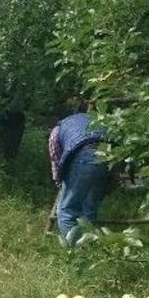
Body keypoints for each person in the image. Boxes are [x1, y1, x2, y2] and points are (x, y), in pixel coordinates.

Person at [48, 105, 111, 244]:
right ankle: (89, 246)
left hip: (84, 156)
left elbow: (56, 160)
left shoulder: (57, 130)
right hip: (110, 157)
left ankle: (75, 252)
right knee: (89, 207)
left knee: (66, 210)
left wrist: (60, 182)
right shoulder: (93, 120)